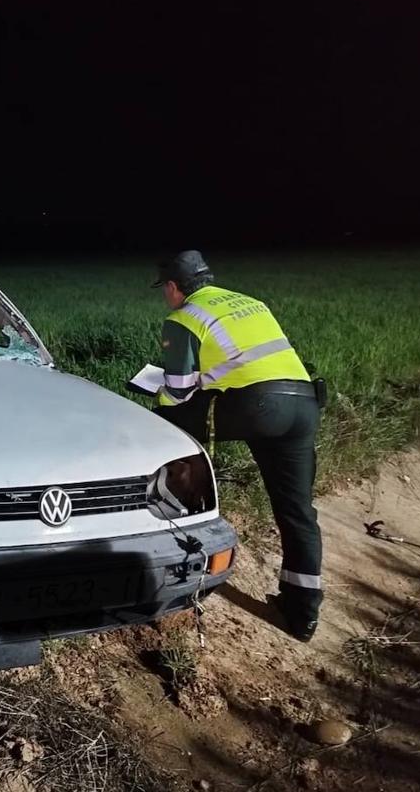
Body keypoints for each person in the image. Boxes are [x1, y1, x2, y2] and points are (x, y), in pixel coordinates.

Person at [150, 250, 323, 641]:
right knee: (297, 510)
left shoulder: (184, 317)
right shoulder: (249, 303)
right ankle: (303, 614)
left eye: (166, 290)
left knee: (167, 422)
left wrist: (156, 396)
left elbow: (178, 393)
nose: (166, 297)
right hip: (304, 403)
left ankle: (175, 518)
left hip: (259, 406)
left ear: (174, 287)